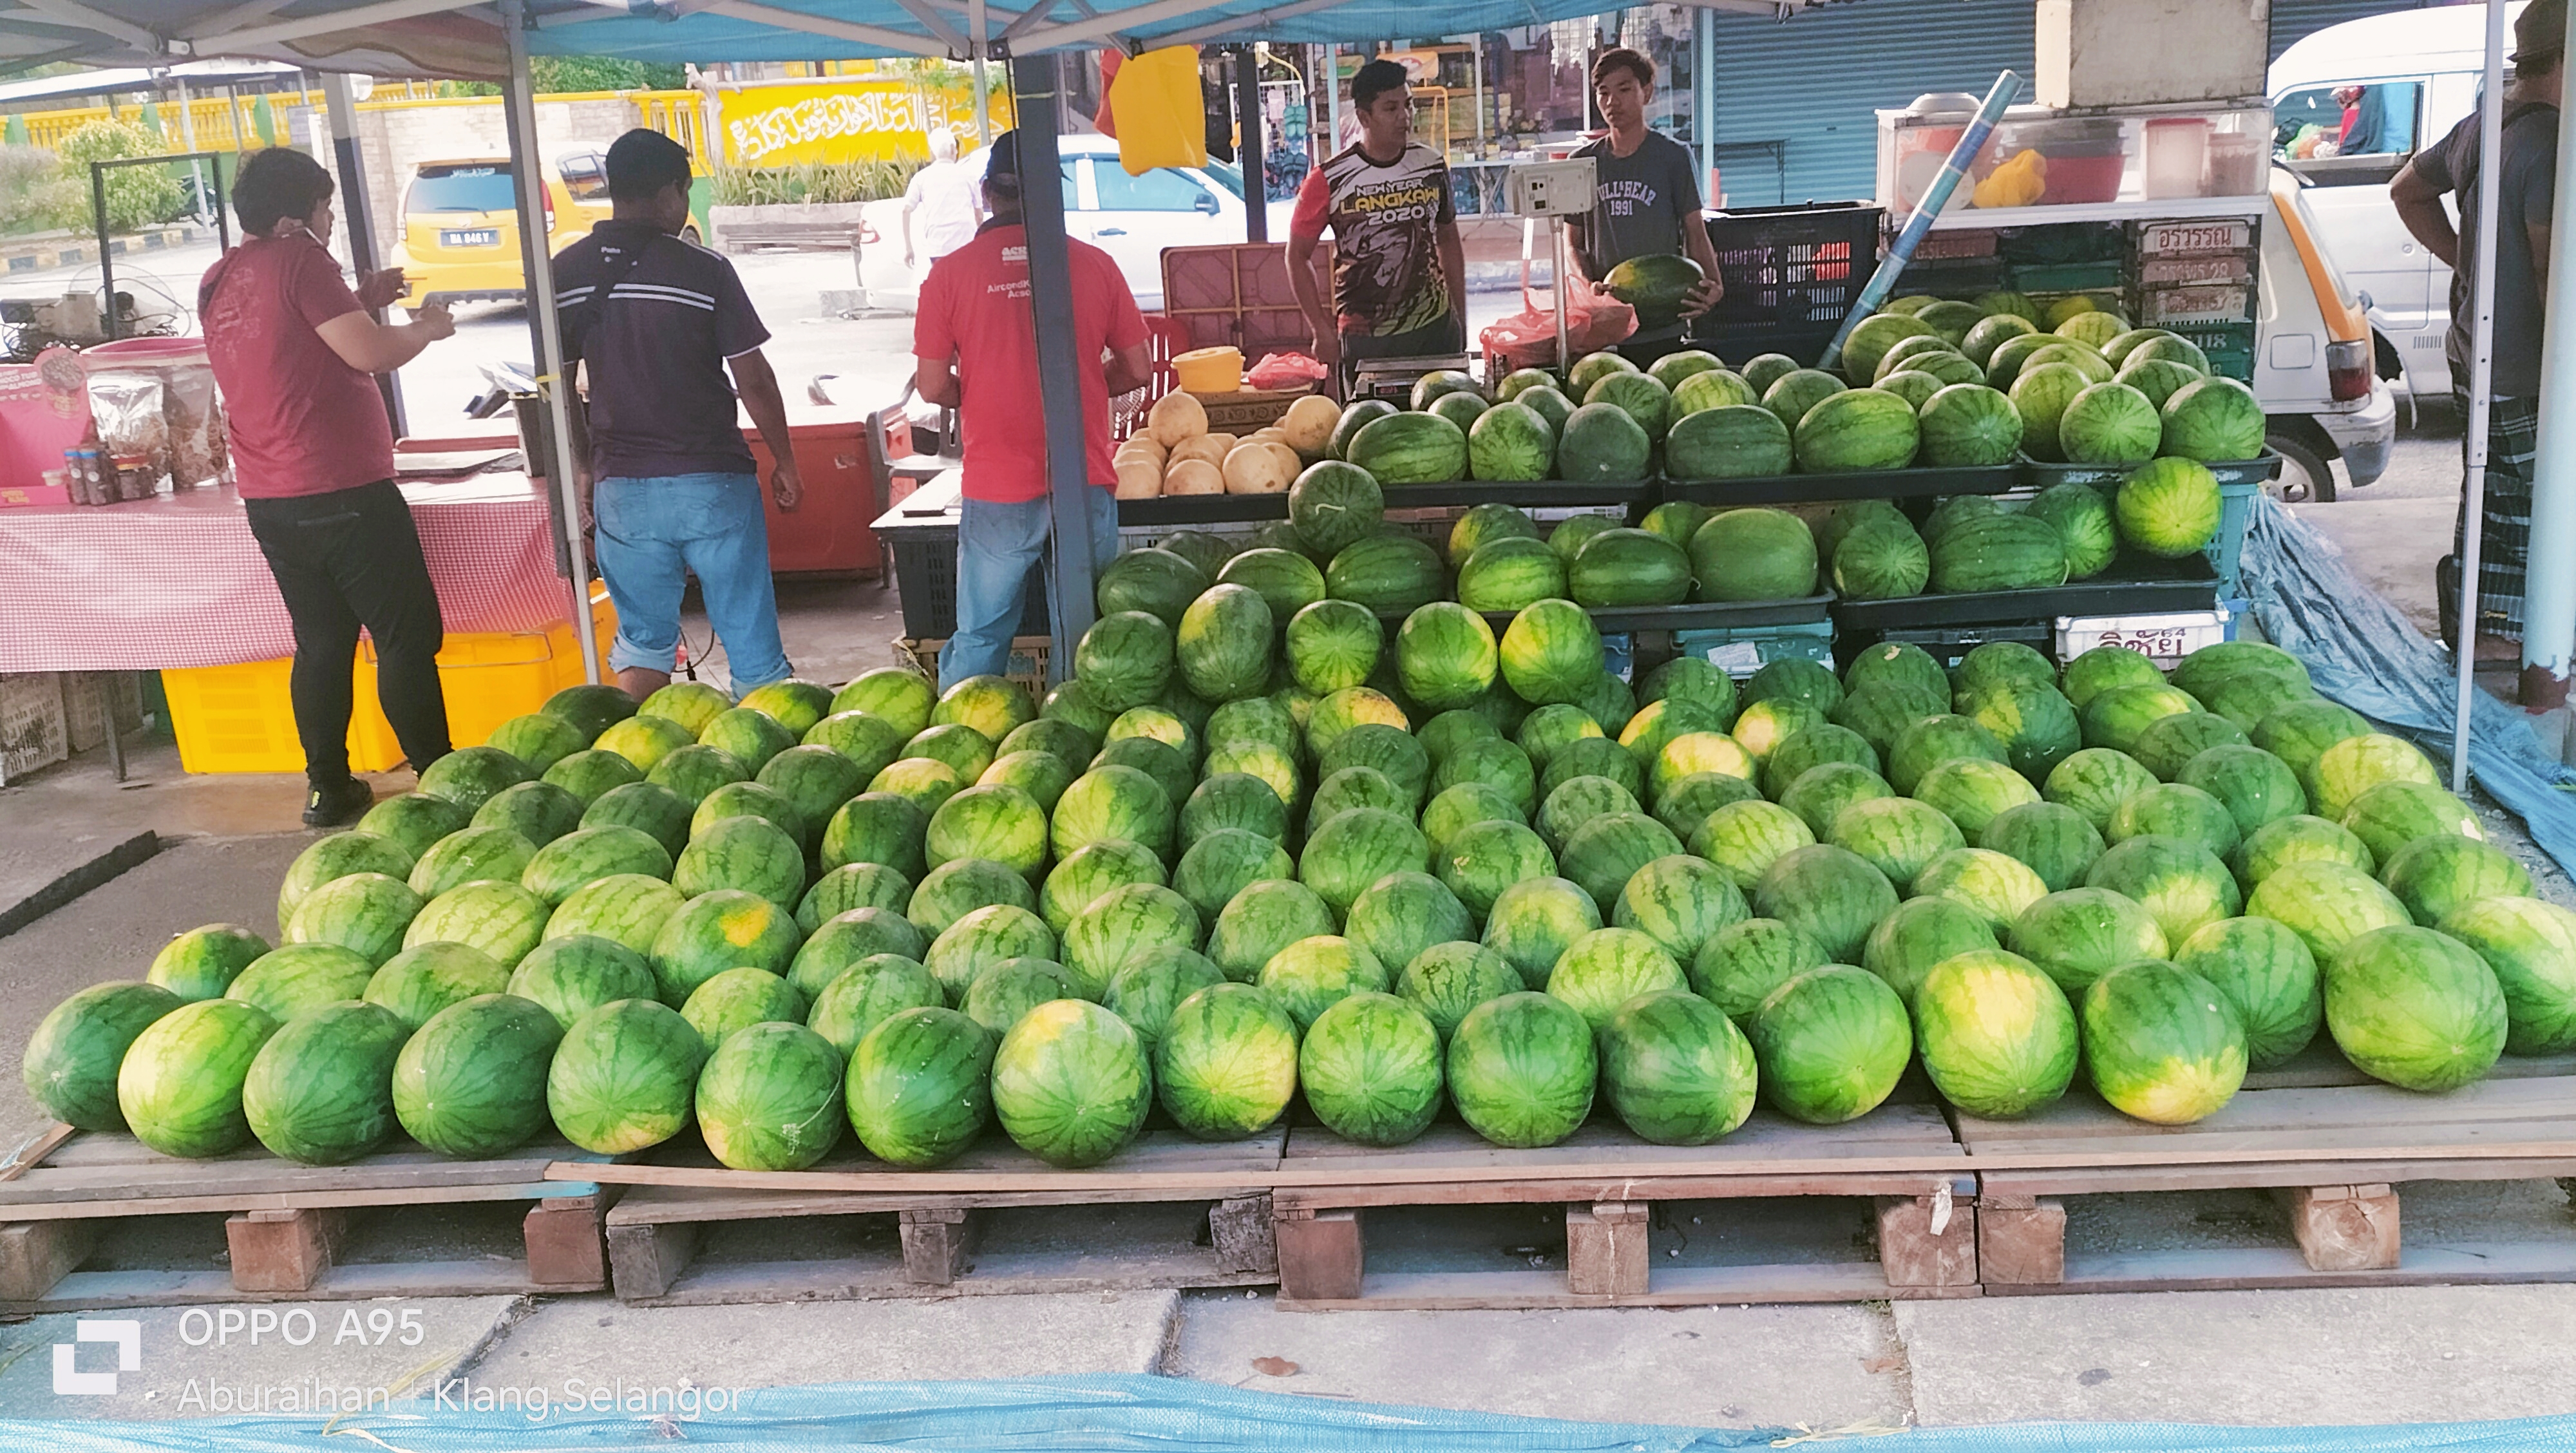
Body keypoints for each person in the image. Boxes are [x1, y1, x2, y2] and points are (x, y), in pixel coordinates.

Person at [199, 147, 456, 826]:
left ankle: (327, 787)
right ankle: (441, 777)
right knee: (404, 636)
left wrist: (362, 299)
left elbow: (285, 343)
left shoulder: (221, 276)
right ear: (294, 221)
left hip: (270, 497)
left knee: (321, 640)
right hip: (341, 488)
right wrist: (427, 326)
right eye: (325, 212)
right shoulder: (301, 261)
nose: (330, 225)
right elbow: (369, 354)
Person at [553, 129, 801, 701]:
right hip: (713, 481)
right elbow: (754, 378)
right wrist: (785, 460)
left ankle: (634, 773)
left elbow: (557, 391)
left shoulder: (564, 274)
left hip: (624, 489)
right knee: (754, 650)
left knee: (642, 644)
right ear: (669, 193)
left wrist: (585, 467)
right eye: (684, 193)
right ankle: (766, 777)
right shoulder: (704, 269)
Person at [914, 129, 1152, 690]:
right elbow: (1139, 369)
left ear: (987, 192)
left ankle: (959, 738)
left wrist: (977, 394)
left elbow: (930, 386)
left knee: (981, 634)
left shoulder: (949, 275)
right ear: (1053, 194)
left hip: (998, 483)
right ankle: (1075, 742)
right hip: (1083, 477)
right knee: (1088, 633)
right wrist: (1086, 388)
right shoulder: (1095, 265)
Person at [2391, 0, 2561, 660]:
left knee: (2493, 507)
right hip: (2527, 374)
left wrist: (2469, 259)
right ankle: (2526, 669)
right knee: (2531, 524)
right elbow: (2552, 277)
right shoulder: (2549, 144)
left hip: (2476, 358)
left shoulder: (2483, 125)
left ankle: (2484, 643)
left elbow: (2405, 189)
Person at [1289, 59, 1469, 394]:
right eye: (1391, 108)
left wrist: (1460, 317)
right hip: (1366, 340)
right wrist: (1321, 330)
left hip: (1434, 331)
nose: (1405, 117)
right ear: (1364, 117)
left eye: (1409, 104)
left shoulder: (1431, 166)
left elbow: (1448, 239)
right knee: (1370, 433)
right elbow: (1296, 257)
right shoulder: (1328, 178)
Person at [1567, 48, 1725, 368]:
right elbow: (1572, 242)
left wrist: (1715, 285)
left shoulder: (1673, 158)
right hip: (1606, 323)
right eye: (1603, 93)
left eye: (1624, 89)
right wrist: (1588, 285)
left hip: (1663, 322)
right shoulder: (1581, 163)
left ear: (1647, 92)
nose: (1612, 102)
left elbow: (1695, 230)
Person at [902, 128, 985, 271]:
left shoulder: (921, 178)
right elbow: (979, 214)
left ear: (933, 152)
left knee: (945, 288)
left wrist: (909, 248)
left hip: (937, 247)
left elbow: (906, 210)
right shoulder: (968, 176)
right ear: (954, 149)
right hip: (966, 244)